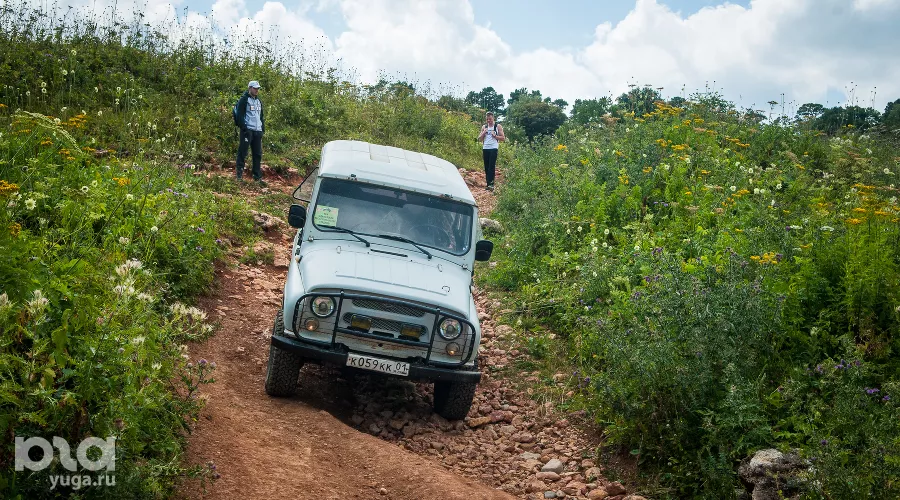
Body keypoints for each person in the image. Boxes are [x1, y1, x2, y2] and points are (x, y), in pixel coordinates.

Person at [234, 80, 265, 183]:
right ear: (250, 88)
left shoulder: (258, 101)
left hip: (257, 131)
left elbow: (261, 116)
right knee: (243, 152)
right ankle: (239, 175)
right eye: (255, 88)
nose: (256, 90)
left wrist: (262, 129)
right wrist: (244, 128)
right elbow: (239, 116)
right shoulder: (244, 100)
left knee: (257, 154)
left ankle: (257, 177)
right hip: (248, 131)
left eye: (258, 88)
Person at [477, 111, 504, 191]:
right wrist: (483, 133)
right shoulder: (484, 127)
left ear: (493, 118)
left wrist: (495, 136)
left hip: (494, 148)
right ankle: (488, 184)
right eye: (487, 119)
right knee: (486, 166)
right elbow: (479, 139)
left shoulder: (497, 126)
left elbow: (503, 138)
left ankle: (491, 185)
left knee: (491, 166)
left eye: (490, 119)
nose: (488, 121)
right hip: (485, 148)